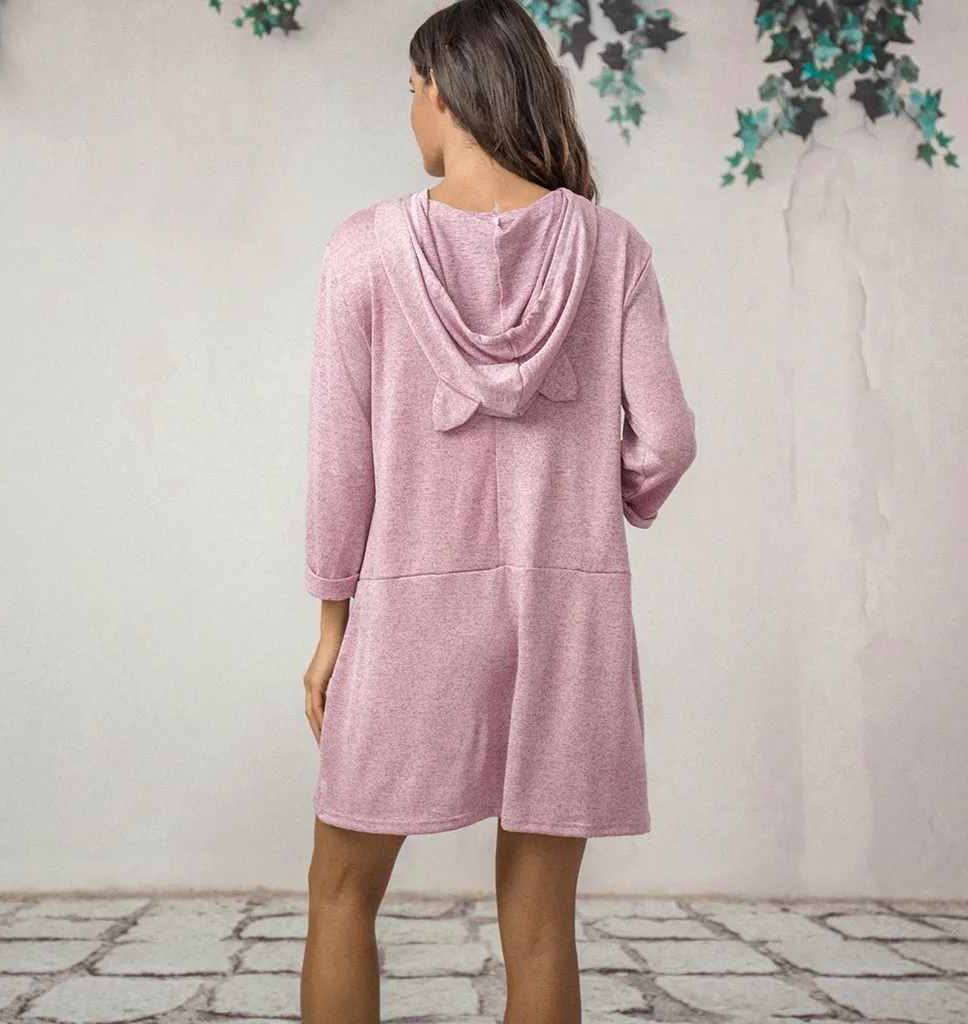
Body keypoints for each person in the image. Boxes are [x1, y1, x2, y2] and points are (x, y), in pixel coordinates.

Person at [299, 0, 697, 1020]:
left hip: (410, 613)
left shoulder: (363, 250)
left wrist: (333, 627)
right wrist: (592, 497)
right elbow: (667, 439)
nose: (411, 113)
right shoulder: (612, 249)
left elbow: (342, 465)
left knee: (341, 893)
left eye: (411, 90)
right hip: (568, 616)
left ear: (444, 90)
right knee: (542, 922)